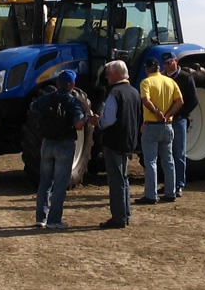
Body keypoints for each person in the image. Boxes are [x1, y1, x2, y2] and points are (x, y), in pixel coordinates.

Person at [89, 60, 141, 228]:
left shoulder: (114, 93)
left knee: (116, 181)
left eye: (108, 73)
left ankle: (118, 217)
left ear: (117, 74)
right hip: (128, 140)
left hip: (114, 141)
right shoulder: (134, 92)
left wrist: (98, 122)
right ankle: (125, 214)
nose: (106, 77)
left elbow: (110, 119)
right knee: (123, 179)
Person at [33, 69, 86, 230]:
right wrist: (86, 120)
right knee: (60, 185)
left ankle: (40, 218)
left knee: (45, 182)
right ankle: (54, 220)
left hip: (47, 143)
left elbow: (34, 107)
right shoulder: (73, 102)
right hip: (64, 144)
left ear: (57, 83)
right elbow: (78, 124)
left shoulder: (46, 98)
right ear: (73, 85)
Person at [135, 57, 183, 204]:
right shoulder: (170, 81)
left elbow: (145, 100)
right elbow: (180, 101)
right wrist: (168, 115)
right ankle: (171, 192)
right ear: (159, 68)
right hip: (167, 125)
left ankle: (151, 194)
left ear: (147, 69)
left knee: (151, 161)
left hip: (152, 125)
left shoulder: (146, 82)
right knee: (168, 160)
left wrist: (156, 112)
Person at [162, 52, 198, 197]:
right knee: (166, 154)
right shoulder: (162, 77)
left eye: (169, 62)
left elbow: (193, 100)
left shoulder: (185, 78)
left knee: (179, 153)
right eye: (165, 63)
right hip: (164, 121)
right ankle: (169, 183)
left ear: (176, 61)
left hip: (178, 120)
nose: (167, 66)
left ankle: (179, 184)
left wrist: (182, 114)